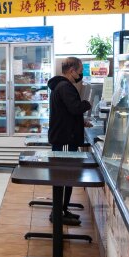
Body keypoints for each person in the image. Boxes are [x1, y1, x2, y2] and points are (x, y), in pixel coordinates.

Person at [47, 57, 92, 226]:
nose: (80, 74)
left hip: (64, 136)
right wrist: (88, 103)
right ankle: (58, 212)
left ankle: (62, 209)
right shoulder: (65, 87)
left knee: (66, 176)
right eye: (80, 71)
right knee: (65, 176)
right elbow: (74, 108)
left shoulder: (61, 86)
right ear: (72, 70)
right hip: (65, 138)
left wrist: (80, 121)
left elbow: (67, 114)